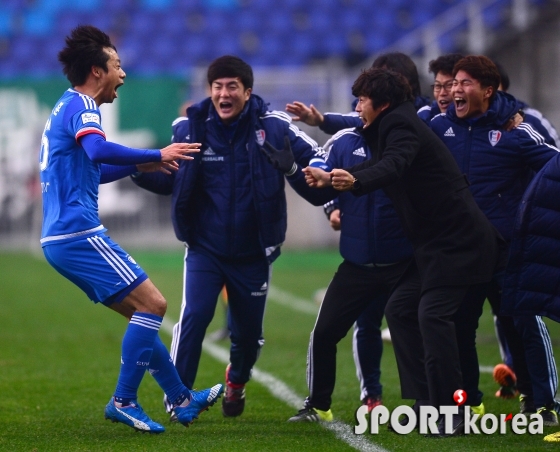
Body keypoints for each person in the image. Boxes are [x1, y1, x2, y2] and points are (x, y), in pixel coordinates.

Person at [39, 25, 223, 434]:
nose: (123, 74)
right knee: (155, 305)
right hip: (77, 233)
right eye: (117, 66)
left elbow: (95, 168)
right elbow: (98, 149)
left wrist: (141, 164)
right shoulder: (84, 106)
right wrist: (157, 152)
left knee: (143, 315)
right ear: (97, 70)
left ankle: (180, 398)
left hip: (60, 238)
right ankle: (123, 400)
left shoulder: (65, 106)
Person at [302, 67, 505, 435]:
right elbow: (380, 164)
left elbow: (393, 166)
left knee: (434, 318)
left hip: (460, 244)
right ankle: (427, 404)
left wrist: (355, 180)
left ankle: (453, 411)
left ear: (381, 103)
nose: (357, 106)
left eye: (362, 100)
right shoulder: (390, 125)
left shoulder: (401, 125)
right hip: (436, 247)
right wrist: (334, 178)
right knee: (401, 311)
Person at [131, 55, 327, 419]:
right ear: (210, 91)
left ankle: (236, 381)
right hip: (206, 247)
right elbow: (170, 181)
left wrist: (323, 192)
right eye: (218, 86)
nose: (224, 93)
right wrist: (140, 171)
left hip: (254, 250)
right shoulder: (189, 128)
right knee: (194, 317)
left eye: (232, 87)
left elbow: (320, 164)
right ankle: (178, 399)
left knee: (248, 336)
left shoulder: (275, 127)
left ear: (247, 92)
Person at [429, 55, 559, 424]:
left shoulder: (517, 131)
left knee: (523, 323)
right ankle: (467, 401)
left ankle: (543, 402)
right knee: (459, 328)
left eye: (464, 83)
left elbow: (554, 166)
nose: (455, 89)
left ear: (488, 90)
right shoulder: (438, 127)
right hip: (462, 249)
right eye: (453, 83)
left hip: (507, 248)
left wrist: (534, 219)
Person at [286, 128, 414, 422]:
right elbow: (320, 168)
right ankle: (324, 404)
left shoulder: (408, 139)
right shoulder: (344, 140)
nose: (357, 107)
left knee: (420, 332)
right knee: (326, 332)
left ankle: (429, 403)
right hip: (357, 265)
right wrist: (301, 174)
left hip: (404, 265)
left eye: (364, 99)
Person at [501, 152, 560, 443]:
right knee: (510, 317)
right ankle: (532, 396)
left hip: (520, 246)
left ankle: (545, 402)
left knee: (525, 317)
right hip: (481, 244)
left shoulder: (523, 134)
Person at [286, 52, 431, 135]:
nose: (386, 86)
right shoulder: (362, 113)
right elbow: (354, 120)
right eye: (379, 79)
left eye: (392, 80)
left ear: (410, 84)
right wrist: (322, 121)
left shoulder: (427, 114)